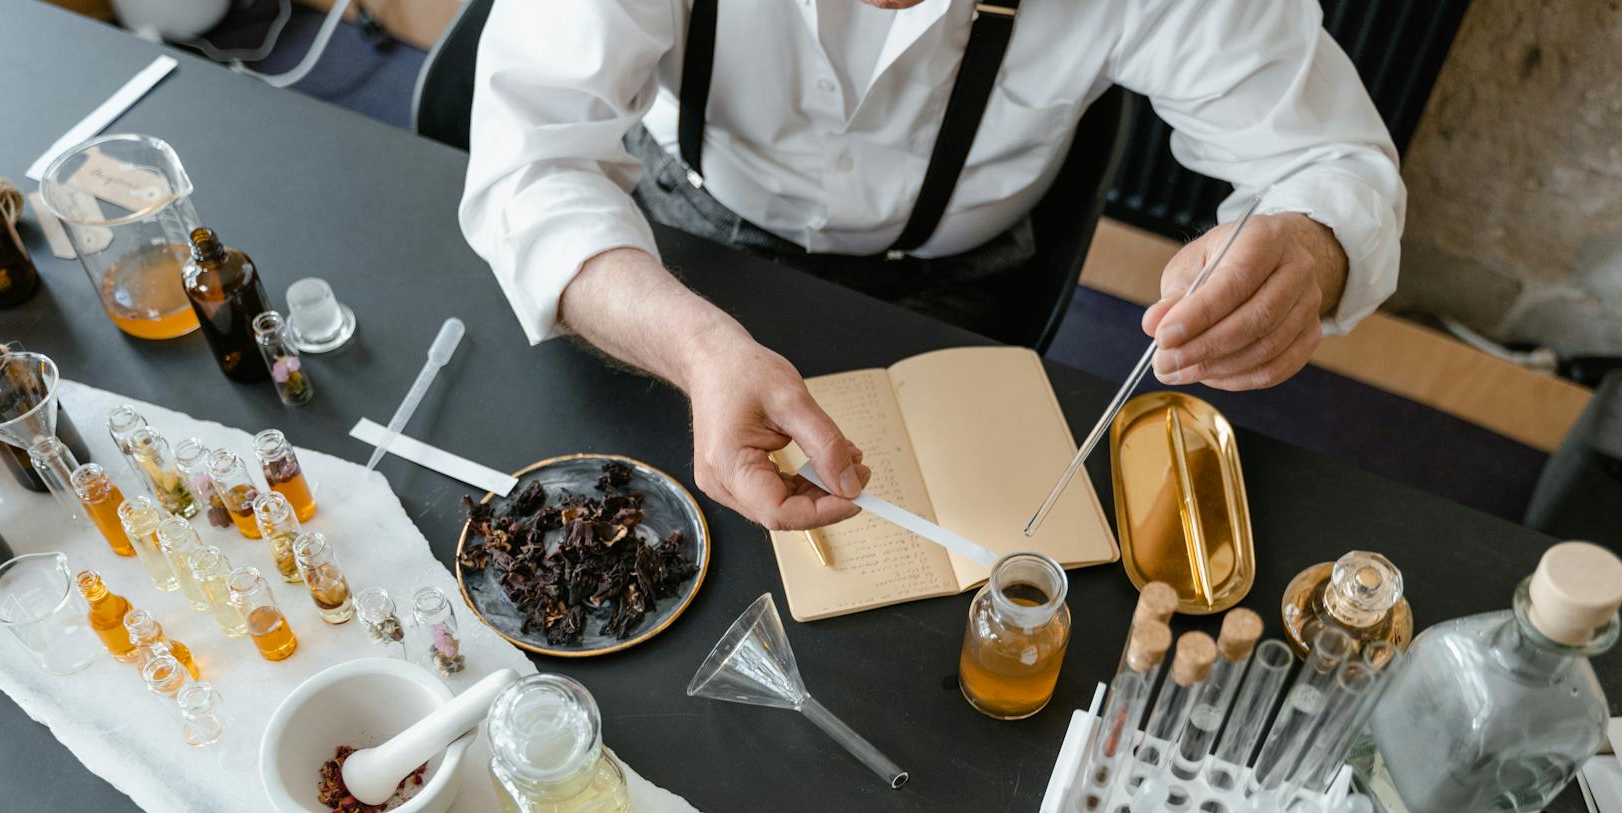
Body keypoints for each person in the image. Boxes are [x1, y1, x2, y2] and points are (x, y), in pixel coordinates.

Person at [461, 0, 1405, 532]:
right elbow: (530, 160)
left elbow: (1329, 162)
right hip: (683, 256)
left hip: (960, 283)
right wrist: (695, 344)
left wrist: (1311, 248)